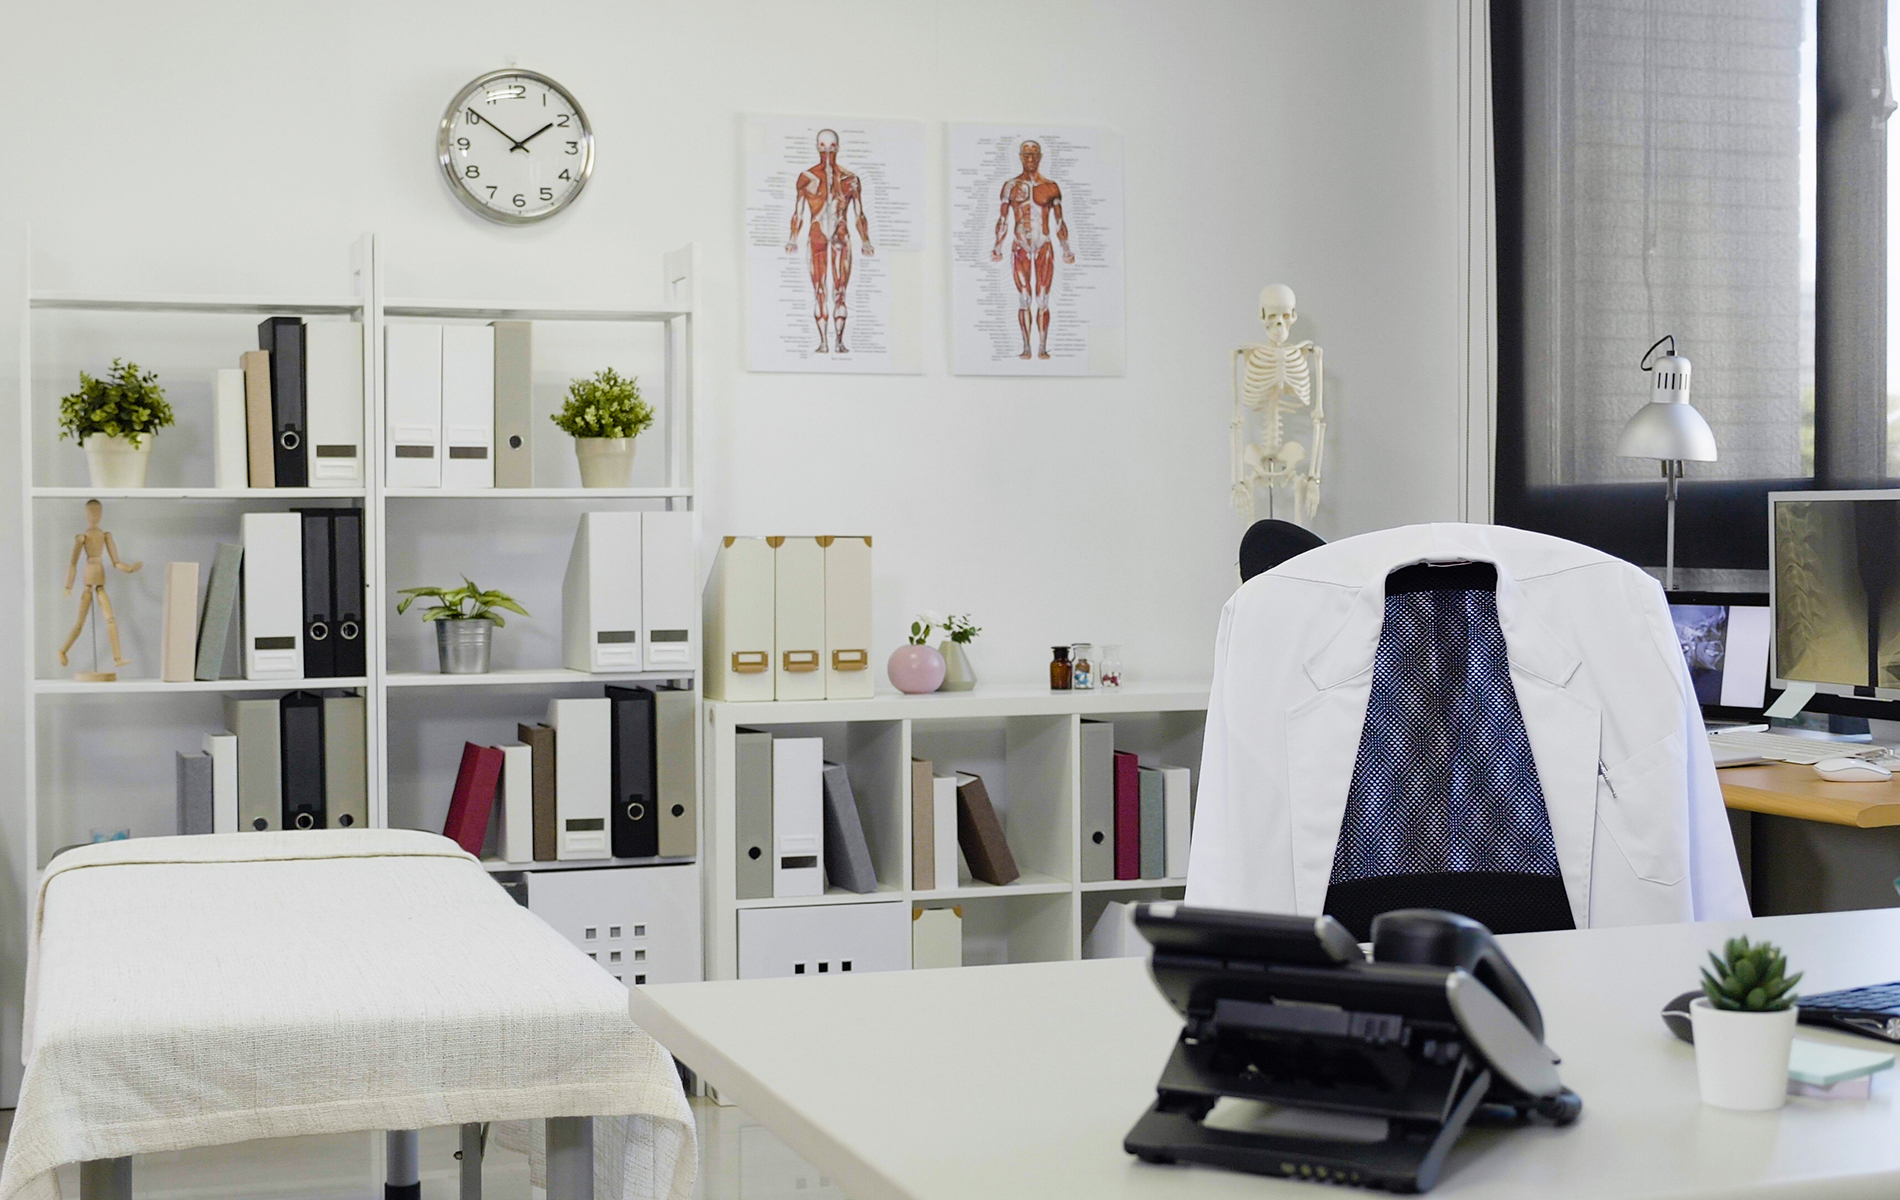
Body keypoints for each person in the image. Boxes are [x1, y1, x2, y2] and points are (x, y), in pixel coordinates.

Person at [785, 129, 874, 354]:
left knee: (840, 290)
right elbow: (798, 212)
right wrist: (793, 238)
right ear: (817, 147)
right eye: (823, 147)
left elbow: (859, 214)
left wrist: (865, 241)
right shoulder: (807, 178)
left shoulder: (850, 180)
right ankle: (824, 342)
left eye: (831, 147)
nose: (827, 152)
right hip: (816, 237)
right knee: (819, 290)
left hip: (841, 238)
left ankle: (839, 342)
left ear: (838, 147)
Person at [990, 140, 1076, 359]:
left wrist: (1066, 249)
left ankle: (1043, 347)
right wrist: (997, 246)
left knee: (1043, 298)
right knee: (1024, 298)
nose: (1030, 160)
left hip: (1044, 246)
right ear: (1020, 156)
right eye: (1026, 155)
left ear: (1040, 157)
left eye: (1034, 155)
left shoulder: (1051, 187)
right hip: (1020, 246)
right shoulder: (1010, 186)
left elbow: (1059, 222)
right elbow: (1003, 219)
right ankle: (1027, 347)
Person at [59, 498, 141, 669]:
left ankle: (117, 658)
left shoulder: (106, 536)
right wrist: (68, 585)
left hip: (100, 581)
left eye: (98, 513)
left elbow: (116, 562)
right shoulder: (82, 538)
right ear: (87, 514)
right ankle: (63, 650)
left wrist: (130, 568)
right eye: (92, 513)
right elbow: (72, 563)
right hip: (88, 583)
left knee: (110, 619)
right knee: (80, 623)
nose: (95, 516)